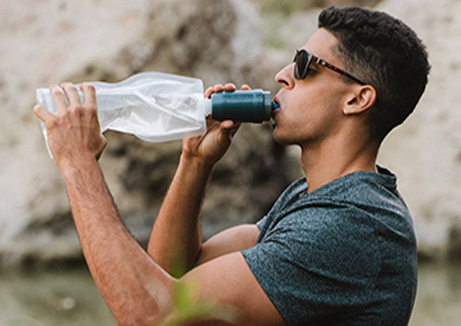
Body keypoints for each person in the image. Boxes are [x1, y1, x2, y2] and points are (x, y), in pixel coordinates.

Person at [33, 6, 430, 326]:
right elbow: (176, 270)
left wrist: (78, 164)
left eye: (306, 65)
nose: (283, 75)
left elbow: (156, 315)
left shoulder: (351, 227)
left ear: (357, 100)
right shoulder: (314, 198)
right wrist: (195, 162)